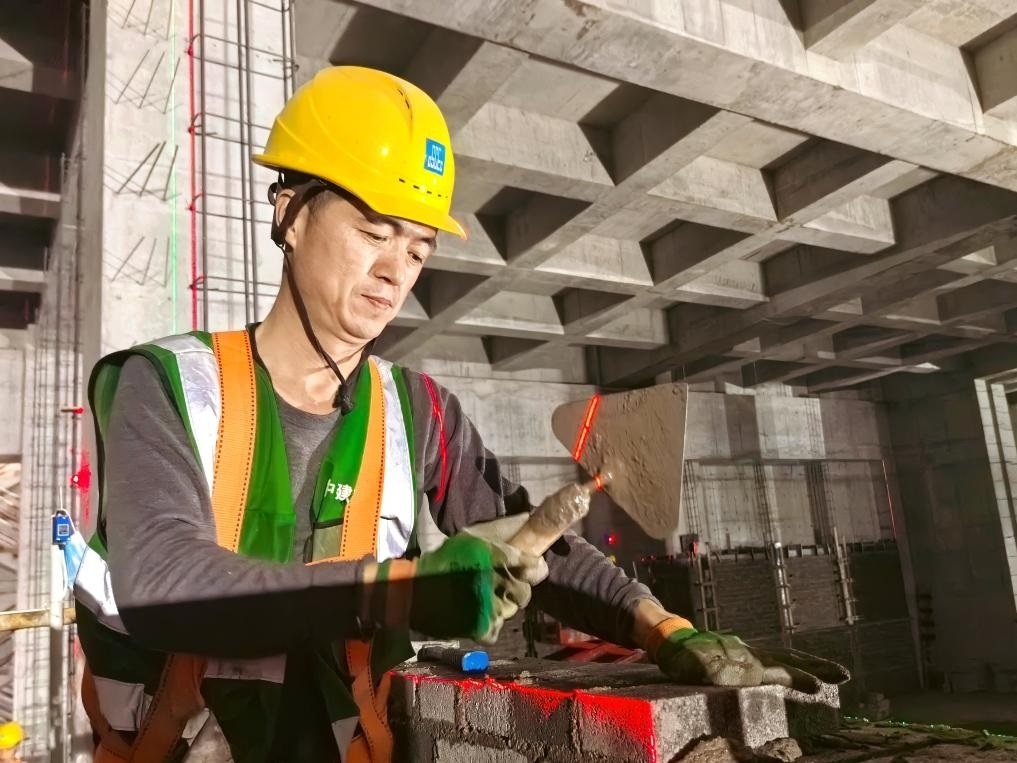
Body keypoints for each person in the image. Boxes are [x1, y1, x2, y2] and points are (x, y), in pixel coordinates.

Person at [73, 66, 848, 762]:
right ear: (291, 213)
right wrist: (400, 589)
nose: (393, 271)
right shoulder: (163, 384)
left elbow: (533, 540)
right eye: (373, 231)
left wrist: (663, 627)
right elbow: (165, 581)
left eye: (416, 249)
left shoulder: (418, 411)